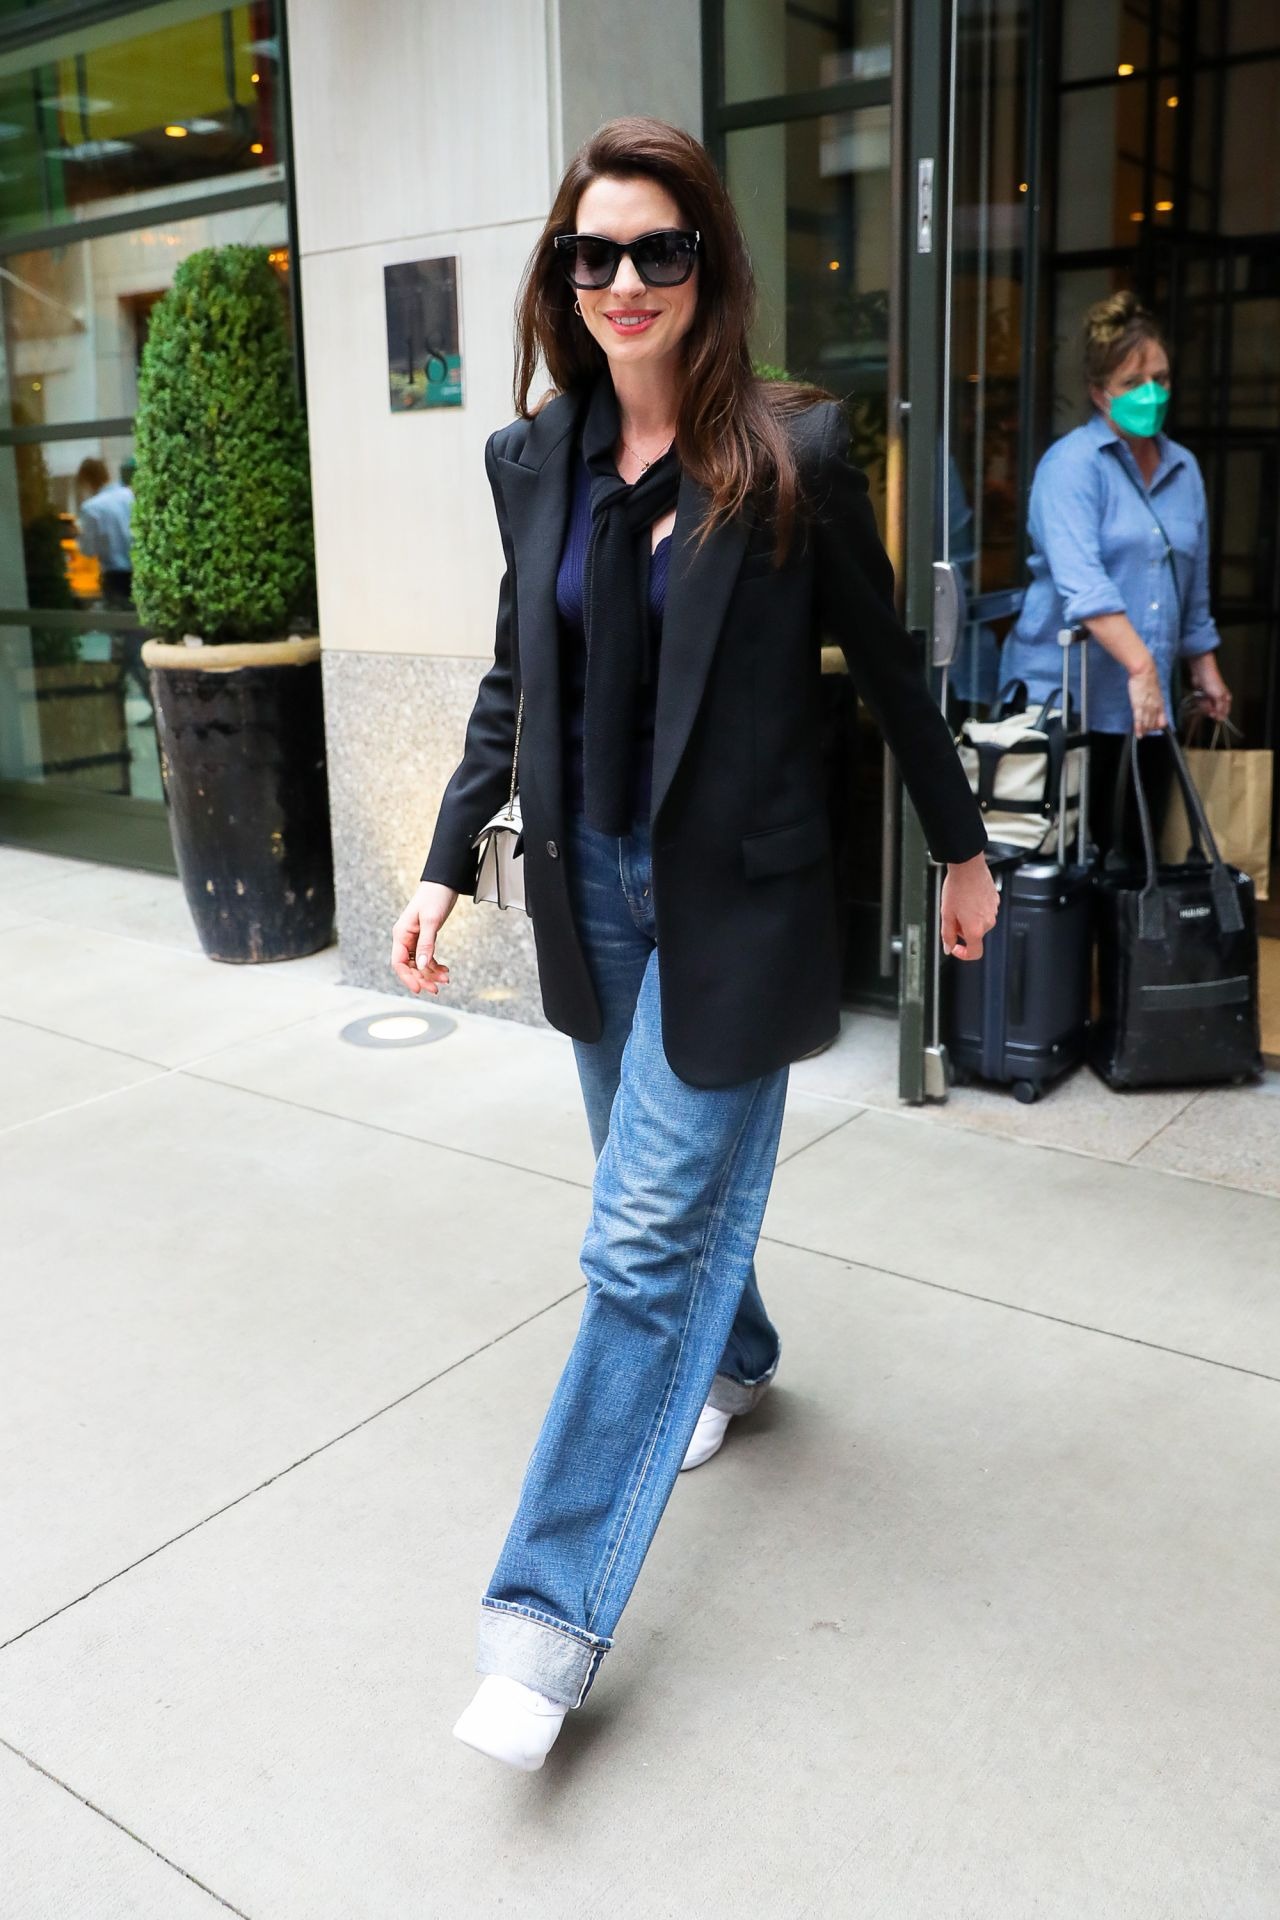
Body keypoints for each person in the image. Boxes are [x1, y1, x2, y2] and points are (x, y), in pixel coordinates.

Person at [390, 117, 998, 1773]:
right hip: (587, 894)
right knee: (651, 1214)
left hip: (738, 909)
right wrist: (448, 858)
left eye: (661, 249)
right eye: (596, 254)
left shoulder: (790, 452)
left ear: (708, 265)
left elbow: (885, 668)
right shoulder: (534, 464)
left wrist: (963, 848)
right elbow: (522, 677)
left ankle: (543, 1623)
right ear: (562, 277)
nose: (628, 280)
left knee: (637, 1251)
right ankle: (740, 1358)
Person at [1000, 291, 1230, 855]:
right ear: (1100, 392)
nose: (1150, 393)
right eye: (1133, 382)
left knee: (1136, 864)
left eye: (1161, 378)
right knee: (1062, 872)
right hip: (1068, 698)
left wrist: (1205, 668)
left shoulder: (1184, 468)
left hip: (1146, 708)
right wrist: (1143, 666)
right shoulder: (1072, 466)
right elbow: (1084, 584)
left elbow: (1191, 585)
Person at [75, 456, 135, 605]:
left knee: (120, 623)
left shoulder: (91, 508)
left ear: (86, 481)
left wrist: (77, 535)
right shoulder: (128, 495)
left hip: (115, 577)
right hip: (139, 570)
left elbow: (88, 550)